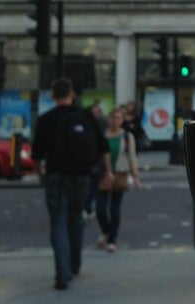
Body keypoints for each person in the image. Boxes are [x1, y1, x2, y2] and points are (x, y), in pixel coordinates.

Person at [32, 77, 112, 290]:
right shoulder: (86, 116)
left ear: (52, 96)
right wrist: (107, 172)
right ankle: (75, 264)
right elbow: (103, 147)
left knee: (58, 221)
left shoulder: (46, 119)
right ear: (72, 94)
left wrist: (41, 174)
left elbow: (37, 154)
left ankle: (62, 272)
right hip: (82, 176)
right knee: (76, 218)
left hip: (56, 175)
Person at [96, 106, 141, 253]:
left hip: (120, 174)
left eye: (118, 118)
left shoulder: (127, 137)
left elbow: (132, 157)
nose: (115, 121)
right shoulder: (102, 135)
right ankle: (106, 231)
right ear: (108, 119)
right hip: (103, 174)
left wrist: (135, 176)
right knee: (100, 208)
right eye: (113, 118)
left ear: (122, 120)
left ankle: (112, 240)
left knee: (114, 209)